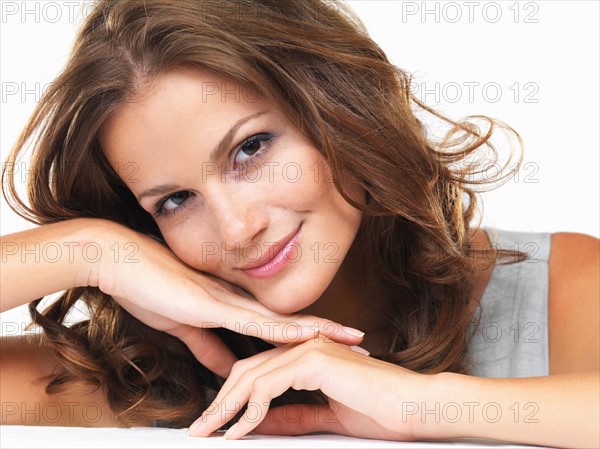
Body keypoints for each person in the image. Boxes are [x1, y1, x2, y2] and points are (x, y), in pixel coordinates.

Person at [0, 0, 597, 446]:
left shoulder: (557, 284)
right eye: (174, 200)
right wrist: (89, 249)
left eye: (251, 148)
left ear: (341, 109)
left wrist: (417, 403)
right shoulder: (162, 371)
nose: (236, 230)